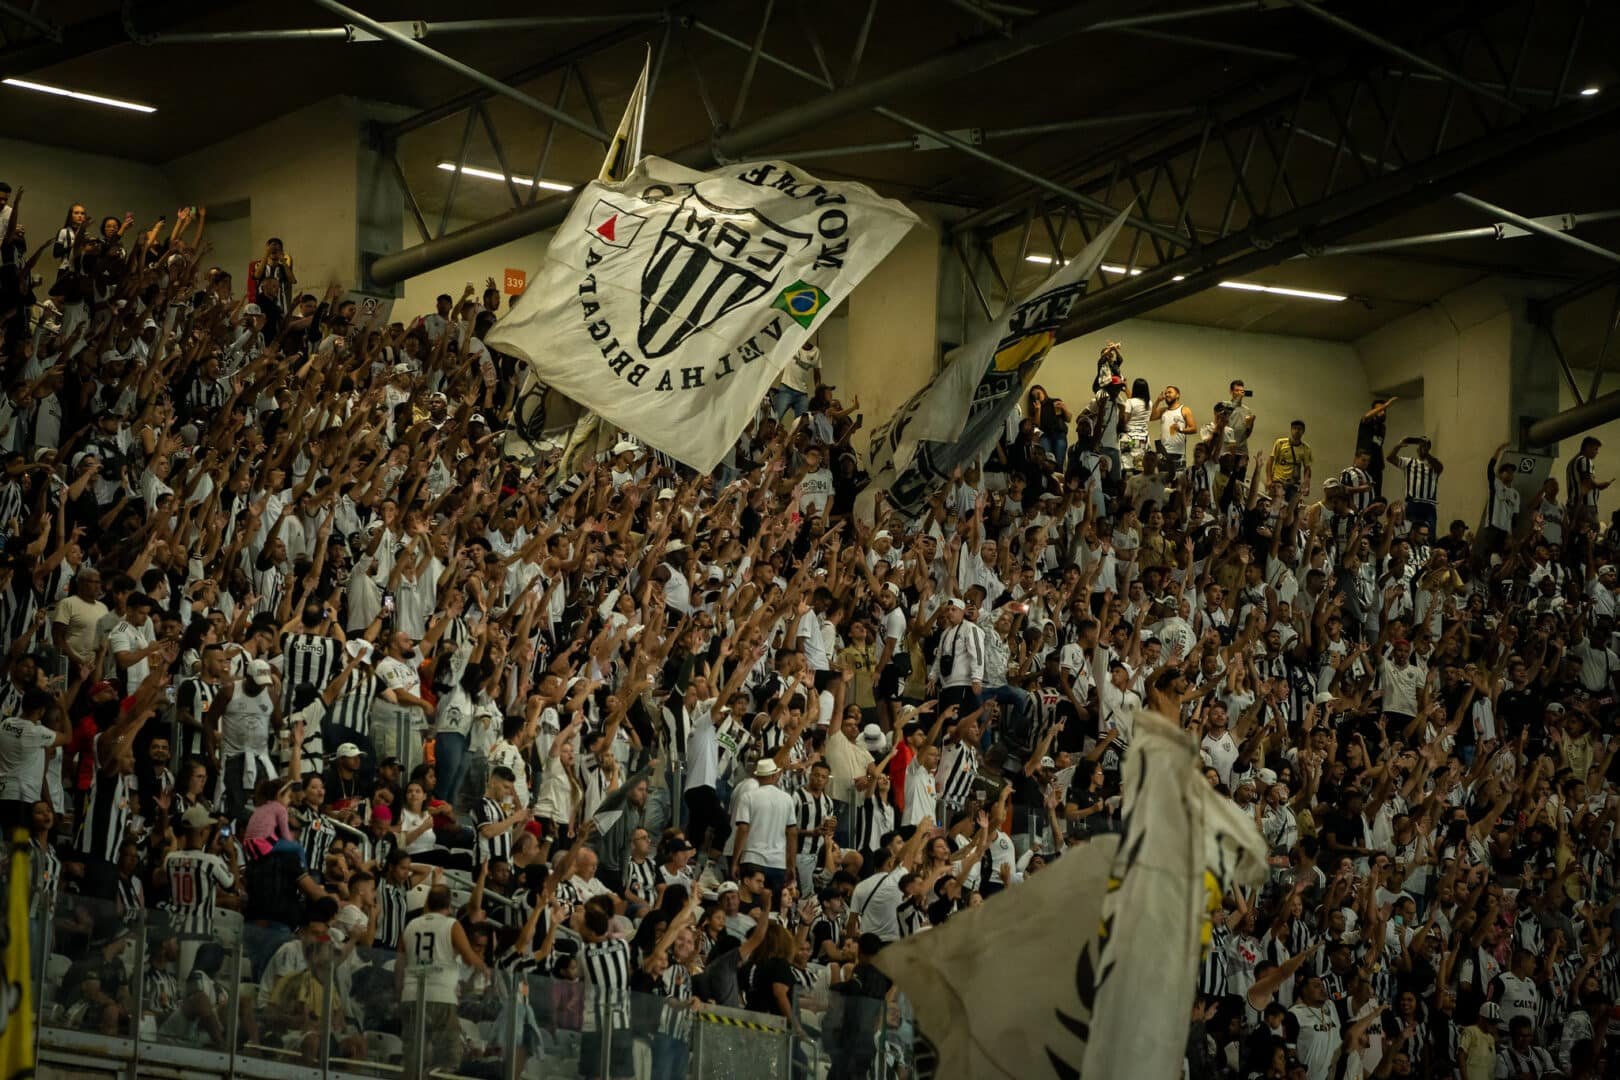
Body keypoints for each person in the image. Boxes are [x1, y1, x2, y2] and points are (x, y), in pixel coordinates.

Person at [400, 884, 486, 1080]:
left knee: (413, 1057)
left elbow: (399, 963)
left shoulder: (411, 925)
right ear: (449, 904)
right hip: (441, 997)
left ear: (428, 902)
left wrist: (401, 991)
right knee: (448, 1057)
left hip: (411, 994)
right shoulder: (451, 925)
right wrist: (485, 969)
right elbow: (469, 958)